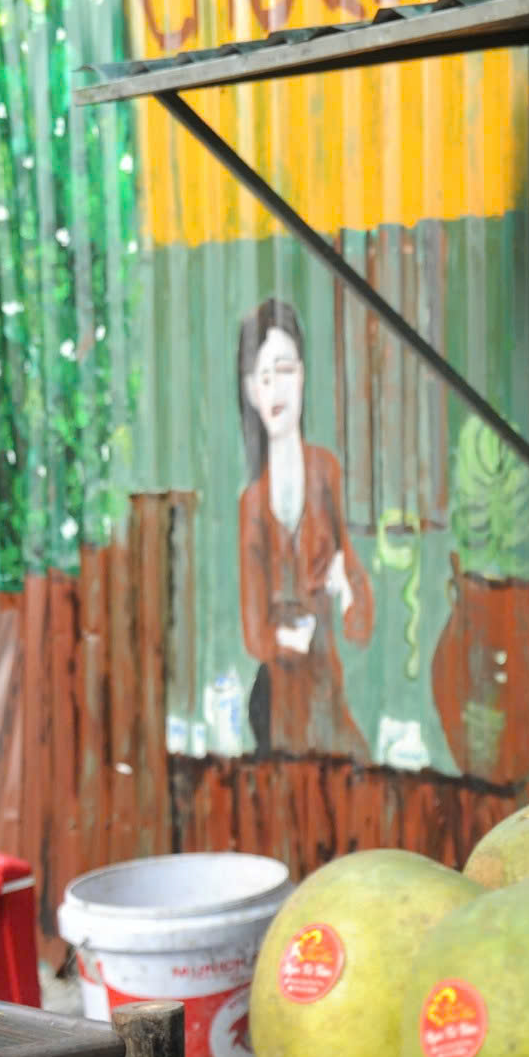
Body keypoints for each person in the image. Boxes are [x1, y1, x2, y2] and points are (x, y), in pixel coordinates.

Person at [235, 298, 374, 761]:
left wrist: (346, 586)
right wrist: (285, 641)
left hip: (328, 694)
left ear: (303, 375)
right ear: (250, 390)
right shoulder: (251, 505)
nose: (274, 388)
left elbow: (360, 618)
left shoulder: (326, 472)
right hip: (279, 709)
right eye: (262, 376)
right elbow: (254, 632)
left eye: (285, 369)